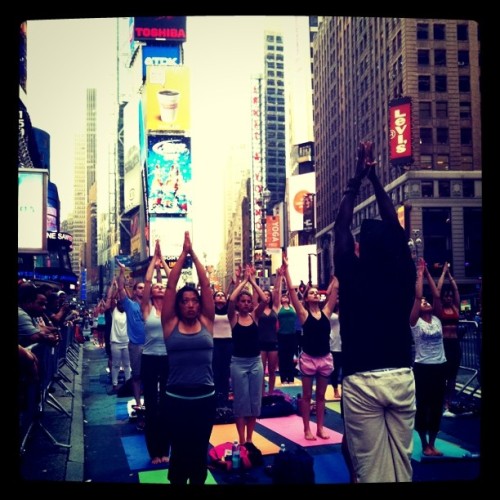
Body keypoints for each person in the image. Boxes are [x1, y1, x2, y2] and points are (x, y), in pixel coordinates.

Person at [333, 141, 416, 483]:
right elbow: (394, 228)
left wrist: (357, 179)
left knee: (369, 470)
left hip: (363, 379)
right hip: (400, 375)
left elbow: (339, 228)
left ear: (361, 248)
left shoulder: (352, 273)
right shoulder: (403, 271)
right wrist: (376, 179)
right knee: (401, 462)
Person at [161, 231, 215, 485]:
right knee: (180, 451)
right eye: (186, 301)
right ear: (178, 305)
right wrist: (183, 255)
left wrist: (195, 254)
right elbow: (171, 286)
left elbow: (206, 286)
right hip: (176, 398)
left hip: (204, 397)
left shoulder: (207, 321)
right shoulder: (170, 324)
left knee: (199, 450)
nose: (191, 305)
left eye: (195, 301)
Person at [282, 257, 338, 441]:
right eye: (311, 293)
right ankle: (307, 428)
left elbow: (335, 290)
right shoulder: (303, 314)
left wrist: (338, 270)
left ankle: (320, 428)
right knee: (307, 396)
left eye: (317, 293)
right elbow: (291, 292)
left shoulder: (326, 312)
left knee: (321, 396)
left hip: (324, 357)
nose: (315, 294)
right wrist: (287, 270)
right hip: (308, 358)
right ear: (306, 297)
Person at [410, 257, 447, 457]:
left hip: (439, 366)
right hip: (423, 367)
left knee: (437, 405)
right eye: (423, 302)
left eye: (426, 301)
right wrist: (419, 274)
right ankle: (424, 444)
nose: (425, 302)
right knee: (423, 405)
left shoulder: (437, 319)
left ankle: (433, 443)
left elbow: (436, 294)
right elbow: (417, 297)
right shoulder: (415, 322)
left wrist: (428, 275)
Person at [227, 264, 268, 445]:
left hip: (255, 362)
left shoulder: (254, 317)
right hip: (238, 363)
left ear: (251, 304)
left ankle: (250, 438)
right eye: (242, 301)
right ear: (239, 304)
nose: (245, 303)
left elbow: (265, 300)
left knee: (254, 402)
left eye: (248, 301)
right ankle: (242, 440)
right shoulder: (233, 317)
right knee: (240, 403)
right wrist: (243, 281)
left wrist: (253, 281)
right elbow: (230, 300)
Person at [141, 239, 171, 464]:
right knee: (152, 405)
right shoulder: (147, 309)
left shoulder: (171, 309)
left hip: (169, 359)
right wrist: (154, 261)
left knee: (168, 404)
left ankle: (165, 450)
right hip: (149, 359)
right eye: (156, 288)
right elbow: (148, 280)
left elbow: (173, 283)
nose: (159, 288)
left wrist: (166, 266)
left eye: (162, 287)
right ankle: (154, 452)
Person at [117, 261, 146, 415]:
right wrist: (122, 271)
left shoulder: (152, 305)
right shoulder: (129, 305)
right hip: (135, 346)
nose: (142, 290)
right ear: (134, 292)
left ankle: (151, 402)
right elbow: (121, 288)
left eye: (144, 287)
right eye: (139, 288)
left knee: (152, 377)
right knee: (136, 376)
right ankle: (138, 403)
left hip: (152, 346)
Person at [436, 262, 461, 417]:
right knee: (443, 377)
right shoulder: (440, 310)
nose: (450, 297)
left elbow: (456, 290)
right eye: (447, 296)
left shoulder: (455, 308)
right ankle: (441, 402)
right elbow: (437, 292)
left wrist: (450, 275)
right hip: (444, 345)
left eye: (450, 296)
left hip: (455, 345)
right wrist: (443, 273)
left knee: (452, 377)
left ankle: (449, 404)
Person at [276, 268, 299, 384]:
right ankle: (283, 378)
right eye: (283, 297)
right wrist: (280, 278)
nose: (284, 297)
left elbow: (291, 291)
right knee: (282, 358)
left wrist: (286, 276)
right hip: (281, 336)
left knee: (290, 357)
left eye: (286, 297)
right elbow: (278, 292)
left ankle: (290, 377)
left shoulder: (293, 308)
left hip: (292, 335)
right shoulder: (278, 308)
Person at [257, 282, 280, 395]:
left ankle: (271, 393)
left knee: (272, 370)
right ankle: (261, 393)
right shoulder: (257, 309)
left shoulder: (275, 308)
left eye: (268, 295)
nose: (266, 296)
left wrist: (279, 277)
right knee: (260, 371)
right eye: (264, 294)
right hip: (260, 343)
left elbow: (277, 291)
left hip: (273, 343)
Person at [327, 275, 342, 400]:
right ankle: (336, 389)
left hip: (346, 343)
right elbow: (327, 295)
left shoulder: (347, 310)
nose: (337, 299)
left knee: (346, 369)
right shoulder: (330, 312)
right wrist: (333, 282)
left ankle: (345, 389)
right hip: (334, 343)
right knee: (335, 369)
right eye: (335, 298)